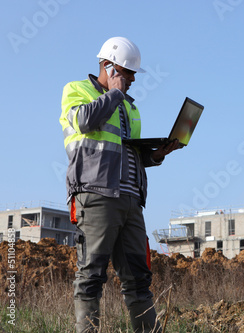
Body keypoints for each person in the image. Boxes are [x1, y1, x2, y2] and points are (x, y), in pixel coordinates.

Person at [59, 37, 178, 332]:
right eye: (126, 72)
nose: (132, 79)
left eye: (133, 74)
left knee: (139, 278)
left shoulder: (130, 108)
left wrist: (156, 156)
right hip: (96, 196)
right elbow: (84, 122)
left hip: (131, 201)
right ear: (107, 66)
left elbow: (127, 153)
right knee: (91, 277)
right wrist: (113, 94)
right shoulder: (77, 90)